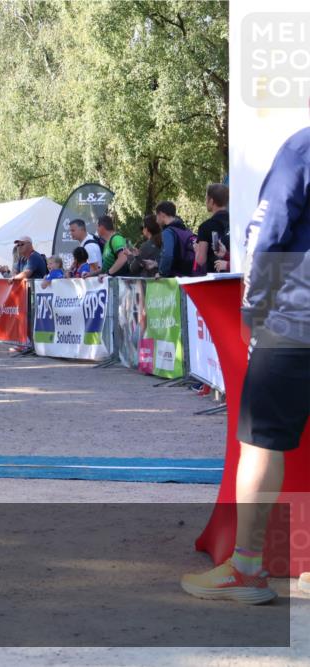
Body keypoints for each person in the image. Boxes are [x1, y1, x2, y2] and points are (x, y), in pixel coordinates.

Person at [181, 126, 310, 605]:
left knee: (258, 444)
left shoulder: (302, 147)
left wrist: (253, 310)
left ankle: (248, 570)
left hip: (296, 319)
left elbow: (268, 232)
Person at [156, 201, 196, 278]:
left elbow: (168, 255)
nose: (156, 219)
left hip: (174, 278)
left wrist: (161, 273)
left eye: (157, 215)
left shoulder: (168, 232)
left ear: (161, 214)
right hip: (187, 276)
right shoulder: (185, 229)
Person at [196, 183, 230, 275]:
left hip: (215, 279)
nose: (206, 201)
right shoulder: (235, 222)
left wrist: (196, 249)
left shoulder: (205, 226)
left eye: (206, 198)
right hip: (237, 277)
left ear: (211, 201)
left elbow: (200, 260)